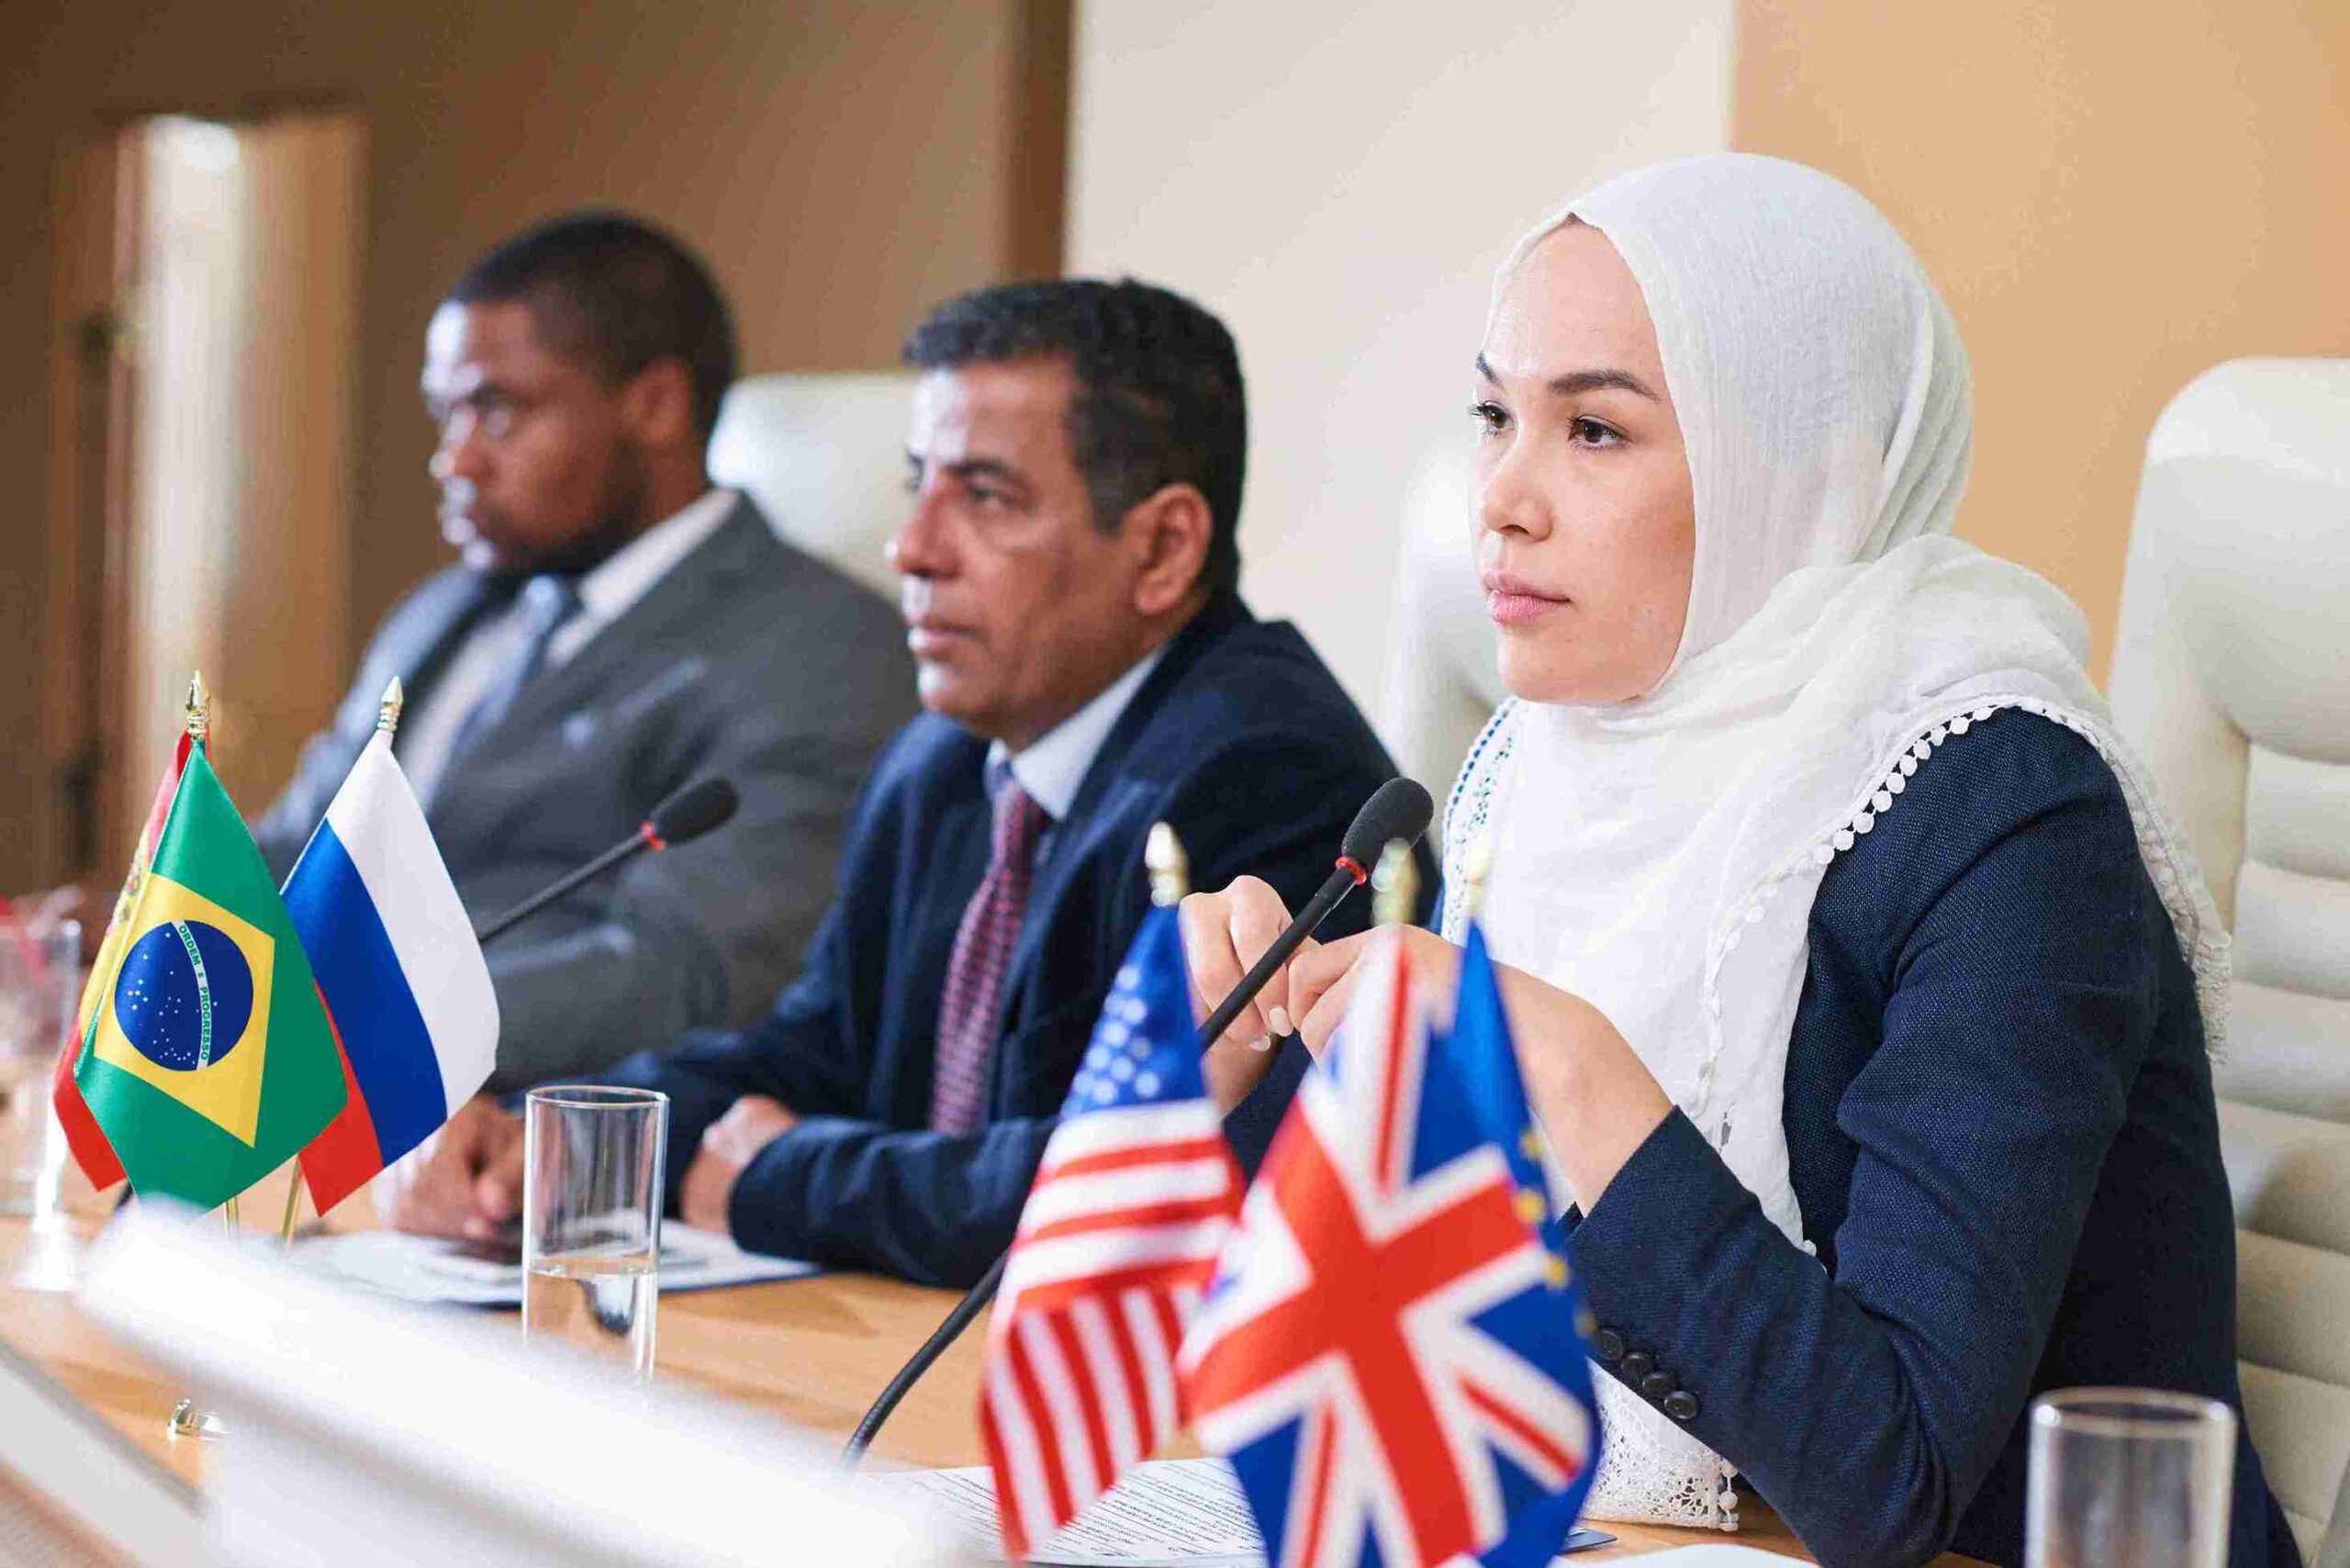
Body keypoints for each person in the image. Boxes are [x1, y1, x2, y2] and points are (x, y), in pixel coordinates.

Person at [1183, 156, 2295, 1568]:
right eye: (1495, 416)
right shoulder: (1549, 767)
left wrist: (1577, 1073)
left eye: (1595, 430)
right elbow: (1401, 1303)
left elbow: (1893, 1485)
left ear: (1801, 469)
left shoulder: (2011, 819)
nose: (1502, 500)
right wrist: (1230, 1069)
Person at [384, 278, 1423, 1286]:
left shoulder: (1270, 774)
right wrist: (561, 1135)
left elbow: (1143, 1181)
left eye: (985, 496)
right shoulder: (941, 761)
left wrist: (780, 1182)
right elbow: (817, 1050)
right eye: (917, 483)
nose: (909, 548)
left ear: (1162, 547)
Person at [250, 212, 916, 1091]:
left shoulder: (826, 651)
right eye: (445, 415)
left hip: (515, 1126)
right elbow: (303, 847)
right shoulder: (440, 610)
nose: (454, 461)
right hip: (294, 1101)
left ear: (656, 405)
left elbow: (681, 971)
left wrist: (352, 1027)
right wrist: (147, 928)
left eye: (496, 411)